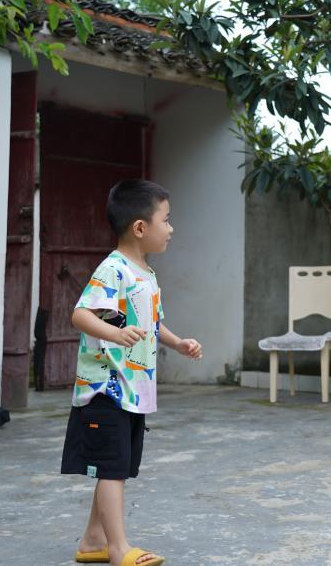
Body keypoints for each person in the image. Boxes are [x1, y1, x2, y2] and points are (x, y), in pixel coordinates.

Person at [61, 179, 203, 565]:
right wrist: (115, 333)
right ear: (141, 227)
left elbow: (153, 323)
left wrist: (178, 343)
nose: (171, 228)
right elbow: (81, 314)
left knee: (116, 467)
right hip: (105, 389)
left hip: (132, 390)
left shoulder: (146, 274)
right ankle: (118, 549)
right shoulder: (114, 269)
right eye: (166, 219)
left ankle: (93, 540)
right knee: (113, 469)